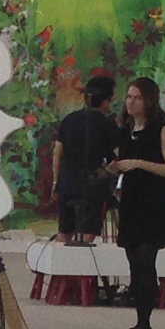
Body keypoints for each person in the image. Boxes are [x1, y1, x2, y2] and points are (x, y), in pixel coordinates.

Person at [105, 76, 165, 329]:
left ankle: (145, 323)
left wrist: (138, 163)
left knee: (147, 262)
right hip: (131, 202)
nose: (131, 102)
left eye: (137, 97)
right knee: (134, 264)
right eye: (128, 97)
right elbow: (121, 161)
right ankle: (139, 322)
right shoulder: (125, 131)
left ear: (149, 100)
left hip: (153, 203)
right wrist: (115, 168)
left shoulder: (161, 130)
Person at [51, 72, 118, 240]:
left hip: (67, 182)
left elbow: (58, 152)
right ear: (106, 101)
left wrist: (56, 181)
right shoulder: (107, 125)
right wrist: (108, 172)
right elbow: (118, 156)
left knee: (65, 230)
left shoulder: (69, 120)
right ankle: (81, 256)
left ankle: (61, 257)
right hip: (92, 185)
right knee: (90, 230)